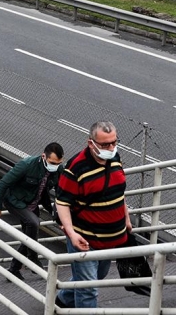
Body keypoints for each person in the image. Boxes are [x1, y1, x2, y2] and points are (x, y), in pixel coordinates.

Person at [55, 121, 130, 309]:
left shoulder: (115, 158)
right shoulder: (76, 167)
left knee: (98, 275)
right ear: (91, 143)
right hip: (85, 238)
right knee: (88, 289)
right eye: (105, 144)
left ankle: (62, 299)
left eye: (114, 142)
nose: (111, 148)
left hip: (112, 238)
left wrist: (126, 219)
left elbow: (118, 192)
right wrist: (71, 234)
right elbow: (62, 202)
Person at [0, 142, 64, 280]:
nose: (55, 166)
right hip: (15, 201)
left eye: (58, 163)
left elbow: (60, 195)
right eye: (52, 163)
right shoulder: (27, 165)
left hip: (33, 203)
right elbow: (2, 184)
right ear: (43, 156)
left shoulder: (59, 170)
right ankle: (33, 258)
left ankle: (13, 269)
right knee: (34, 223)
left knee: (28, 237)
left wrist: (59, 218)